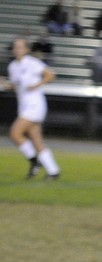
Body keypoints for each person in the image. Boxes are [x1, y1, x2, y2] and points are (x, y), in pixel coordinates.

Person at [3, 37, 61, 181]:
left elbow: (50, 75)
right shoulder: (12, 67)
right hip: (24, 106)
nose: (17, 49)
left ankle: (34, 161)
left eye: (20, 47)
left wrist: (37, 85)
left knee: (15, 133)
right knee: (36, 141)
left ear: (27, 49)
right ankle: (53, 171)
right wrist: (6, 85)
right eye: (15, 47)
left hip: (35, 105)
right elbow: (15, 86)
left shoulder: (32, 63)